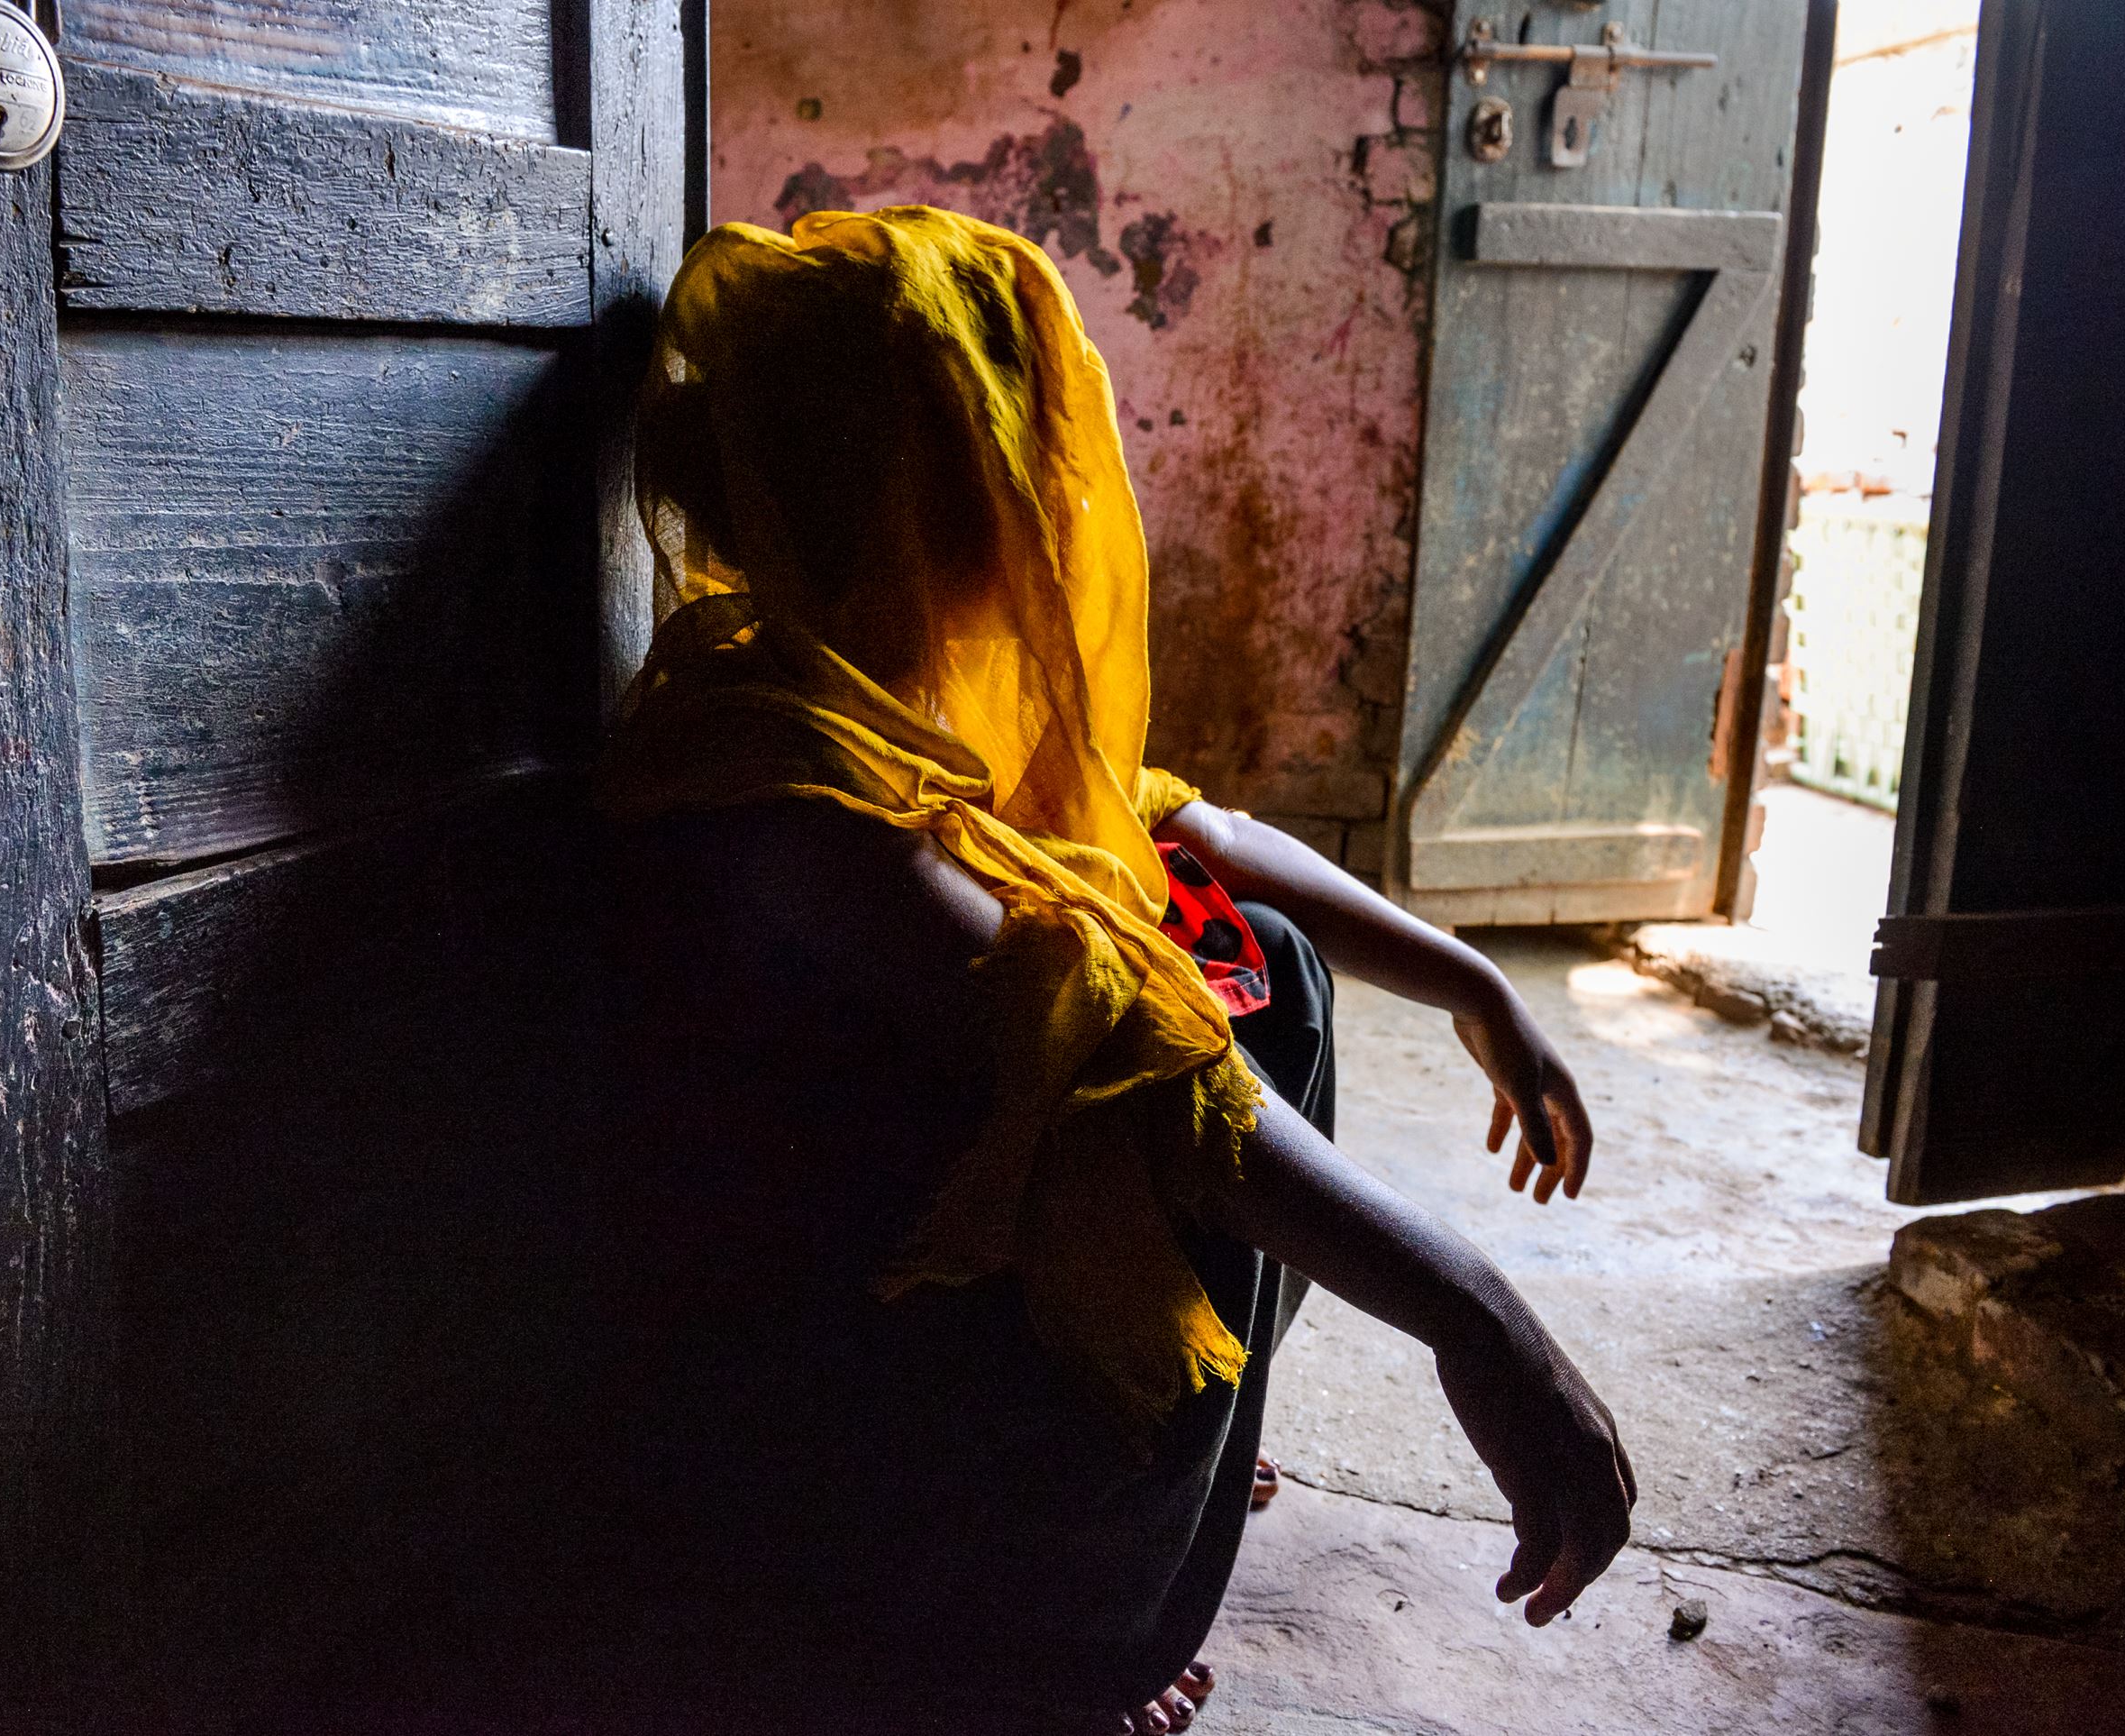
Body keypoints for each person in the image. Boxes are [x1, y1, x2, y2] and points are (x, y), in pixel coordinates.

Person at [591, 205, 1635, 1734]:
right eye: (1021, 464)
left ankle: (1146, 1451)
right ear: (945, 506)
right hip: (811, 1406)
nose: (1060, 498)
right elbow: (1149, 1077)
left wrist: (1471, 980)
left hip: (889, 1315)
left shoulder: (857, 677)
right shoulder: (782, 798)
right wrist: (1481, 1317)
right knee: (1174, 1060)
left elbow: (1181, 822)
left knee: (1250, 950)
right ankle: (1044, 1641)